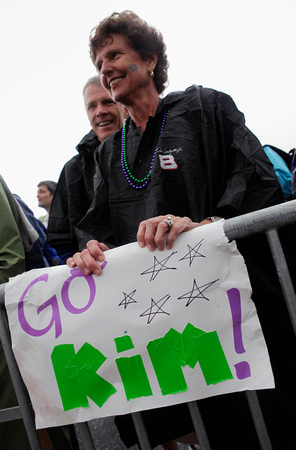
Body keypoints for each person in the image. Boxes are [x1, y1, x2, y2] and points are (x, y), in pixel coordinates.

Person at [67, 11, 296, 450]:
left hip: (236, 309)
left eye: (115, 54)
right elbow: (92, 226)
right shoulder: (107, 154)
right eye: (99, 62)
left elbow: (256, 177)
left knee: (267, 421)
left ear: (149, 58)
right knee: (212, 427)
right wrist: (89, 249)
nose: (106, 68)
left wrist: (207, 225)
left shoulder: (206, 107)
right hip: (172, 326)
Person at [0, 172, 76, 449]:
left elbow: (10, 259)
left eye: (44, 191)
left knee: (31, 427)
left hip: (12, 333)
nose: (39, 195)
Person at [47, 76, 126, 263]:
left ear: (125, 107)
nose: (100, 111)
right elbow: (61, 236)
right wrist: (78, 262)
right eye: (92, 106)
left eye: (108, 102)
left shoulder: (151, 151)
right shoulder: (72, 170)